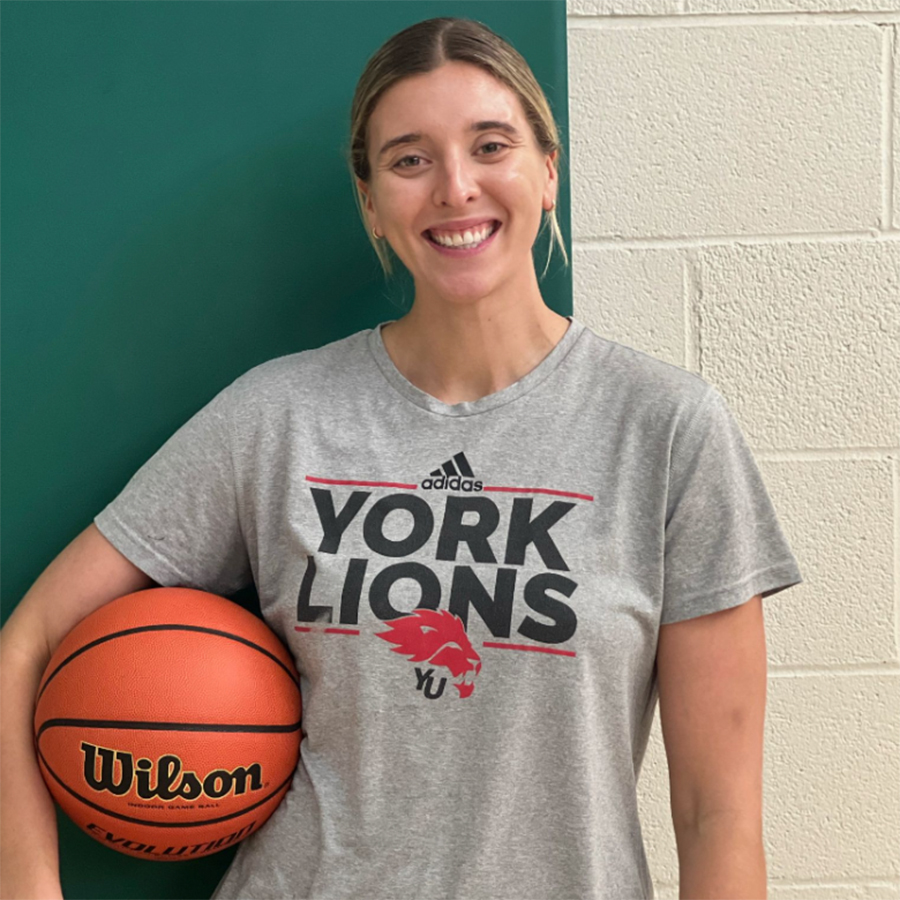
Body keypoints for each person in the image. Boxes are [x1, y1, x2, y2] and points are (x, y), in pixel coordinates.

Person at [0, 15, 803, 900]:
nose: (456, 188)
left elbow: (716, 813)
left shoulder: (666, 428)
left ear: (547, 170)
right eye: (410, 159)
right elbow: (27, 644)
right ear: (372, 200)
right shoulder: (278, 415)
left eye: (490, 145)